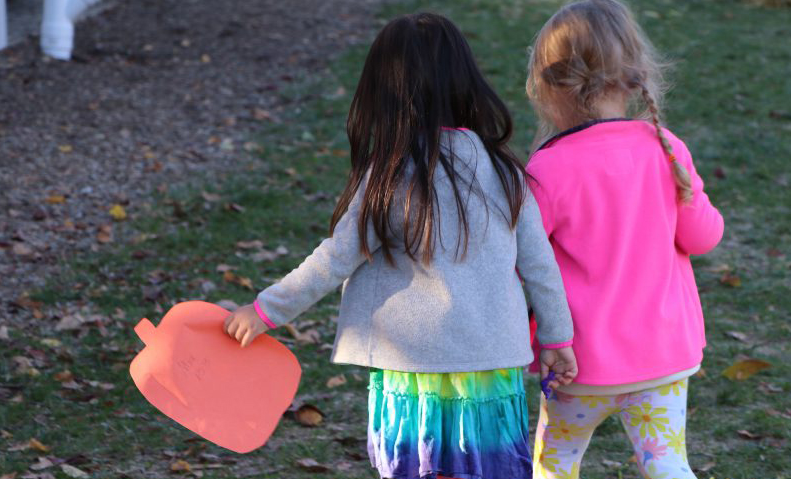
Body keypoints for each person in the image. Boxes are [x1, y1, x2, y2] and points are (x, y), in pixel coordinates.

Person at [221, 12, 579, 479]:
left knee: (416, 468)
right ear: (465, 82)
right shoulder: (507, 172)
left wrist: (265, 310)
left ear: (384, 94)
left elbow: (334, 259)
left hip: (411, 373)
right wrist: (557, 339)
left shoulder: (390, 175)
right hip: (490, 369)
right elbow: (541, 268)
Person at [524, 1, 725, 478]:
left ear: (551, 85)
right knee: (668, 465)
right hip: (663, 360)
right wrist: (691, 192)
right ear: (632, 73)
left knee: (554, 466)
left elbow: (524, 267)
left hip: (578, 367)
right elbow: (703, 237)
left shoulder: (547, 169)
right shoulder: (664, 146)